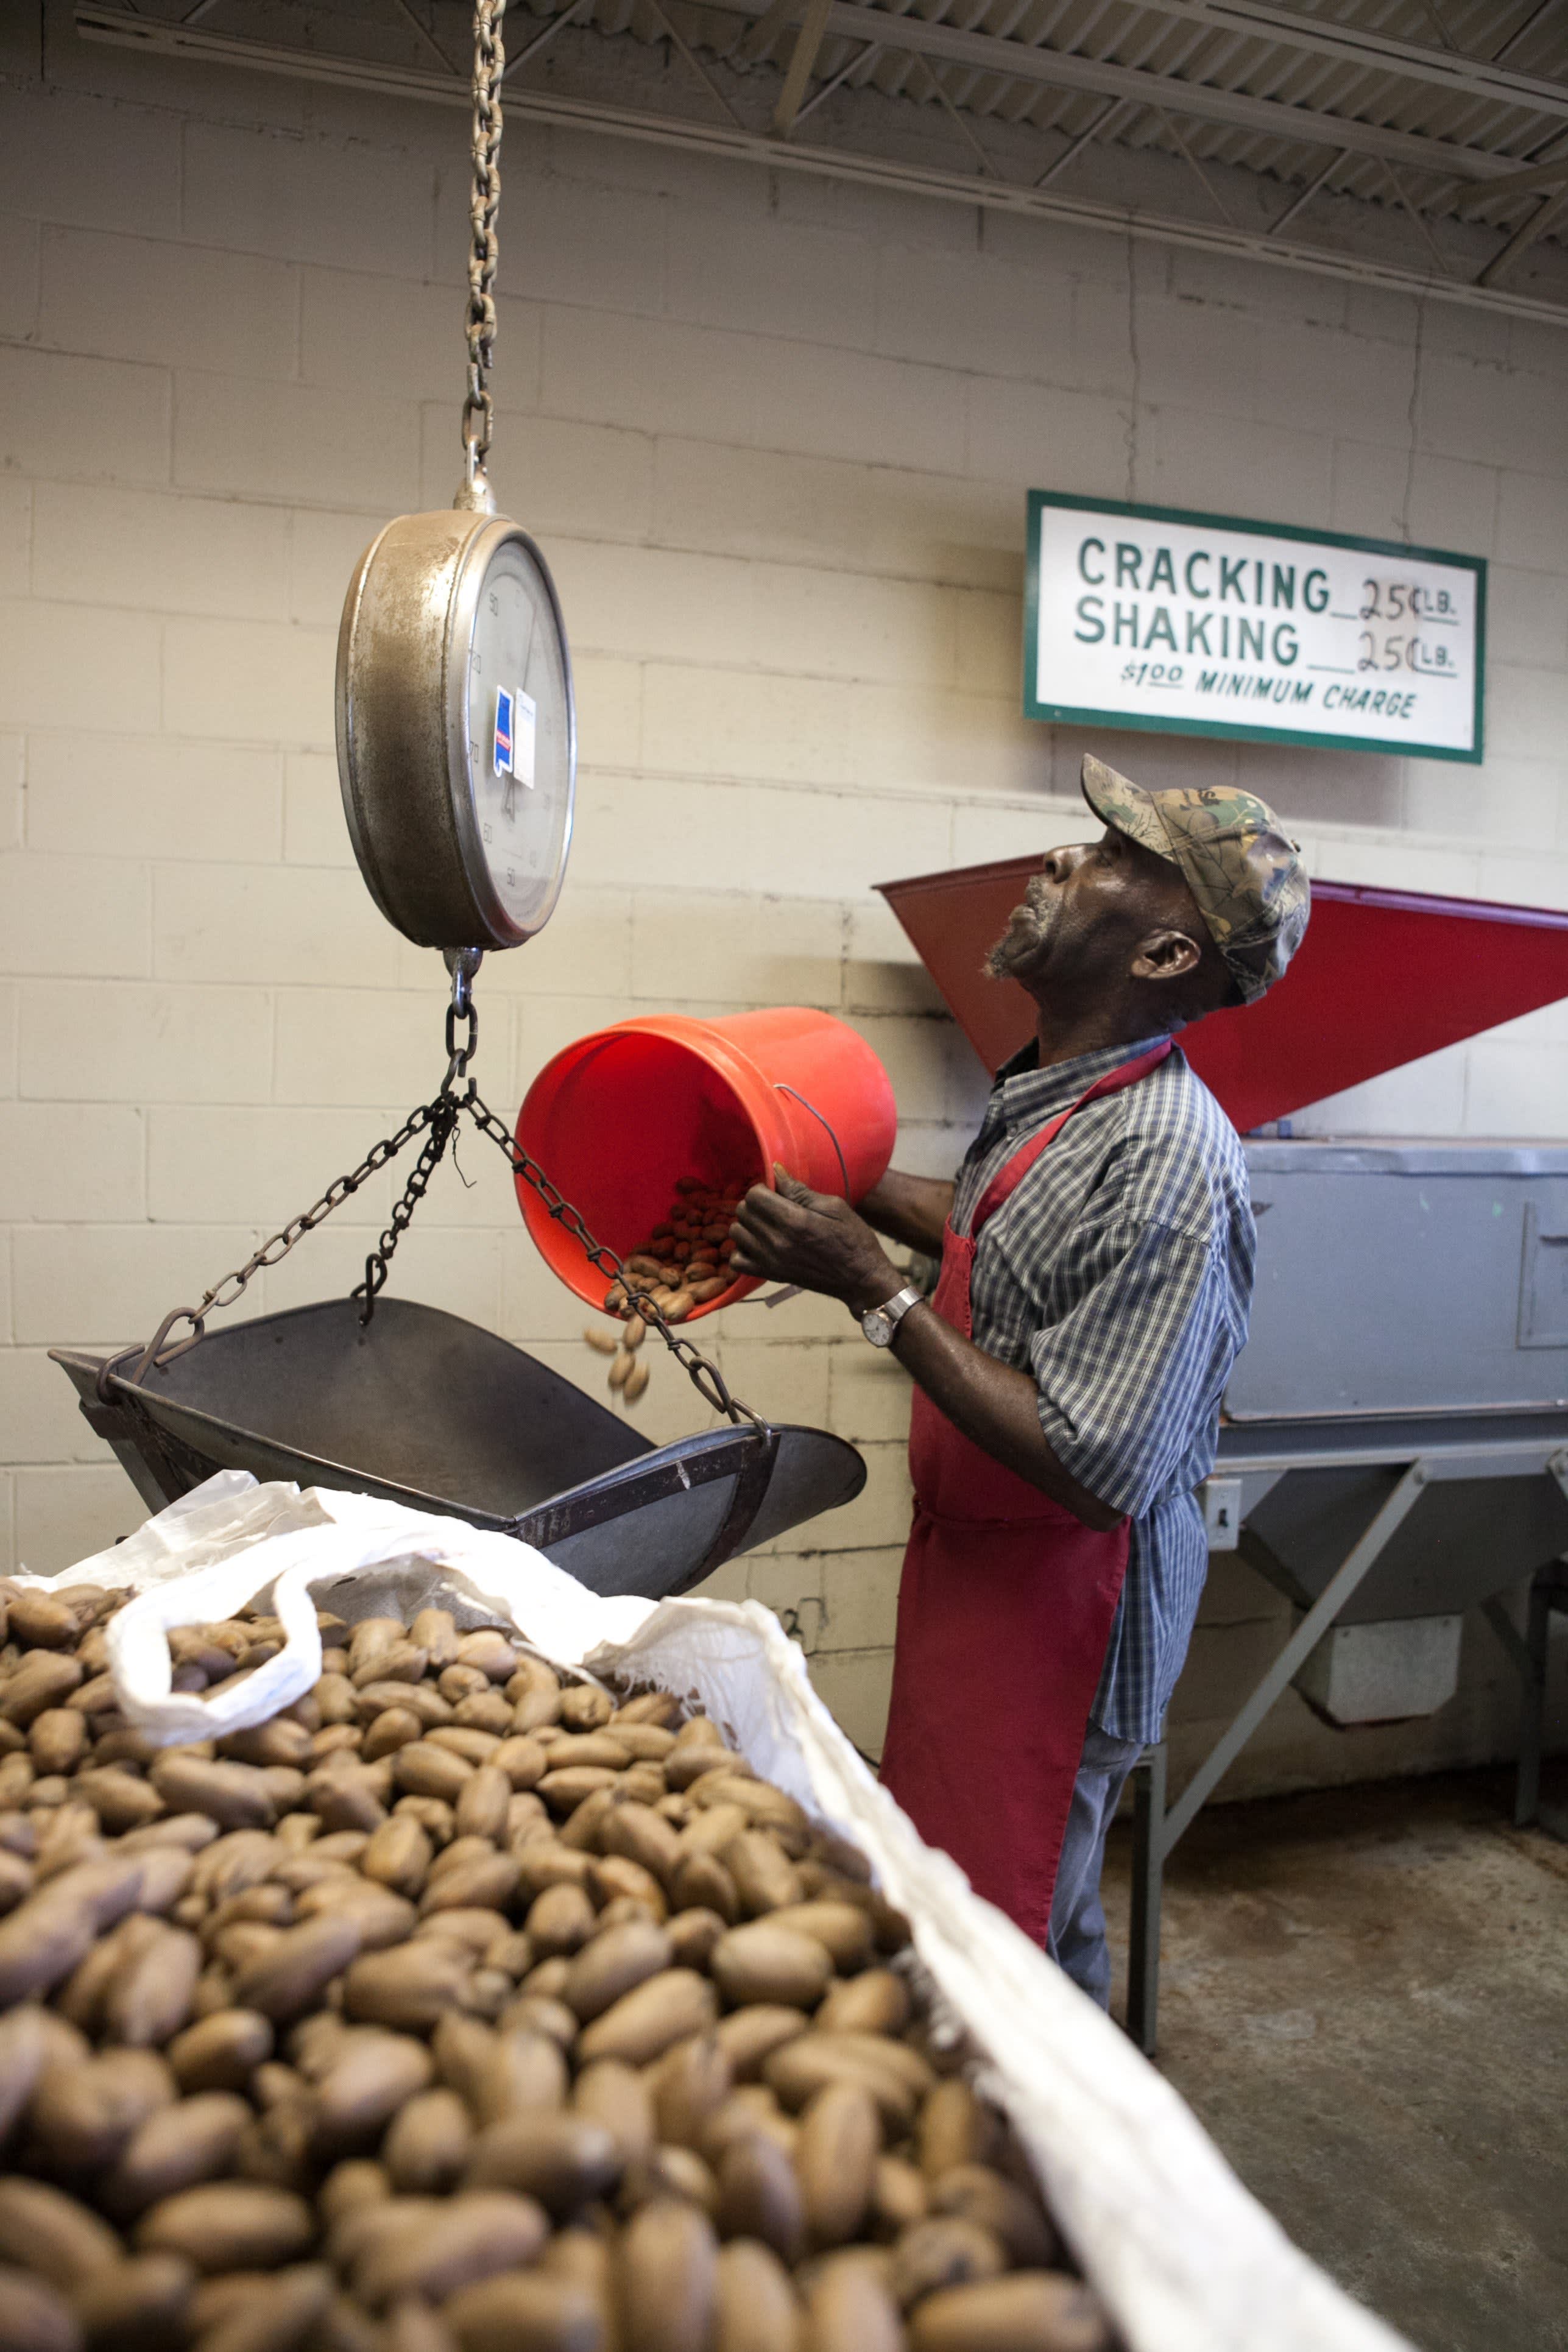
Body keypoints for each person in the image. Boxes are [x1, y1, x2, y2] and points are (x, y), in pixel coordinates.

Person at [728, 754, 1309, 2007]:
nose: (1060, 859)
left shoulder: (1165, 1154)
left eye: (1107, 858)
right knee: (966, 1892)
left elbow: (1098, 1464)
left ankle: (1061, 2157)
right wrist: (853, 1178)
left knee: (1026, 1934)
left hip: (1065, 1612)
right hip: (981, 1571)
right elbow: (998, 1224)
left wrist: (870, 1288)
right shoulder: (1061, 1085)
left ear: (1163, 956)